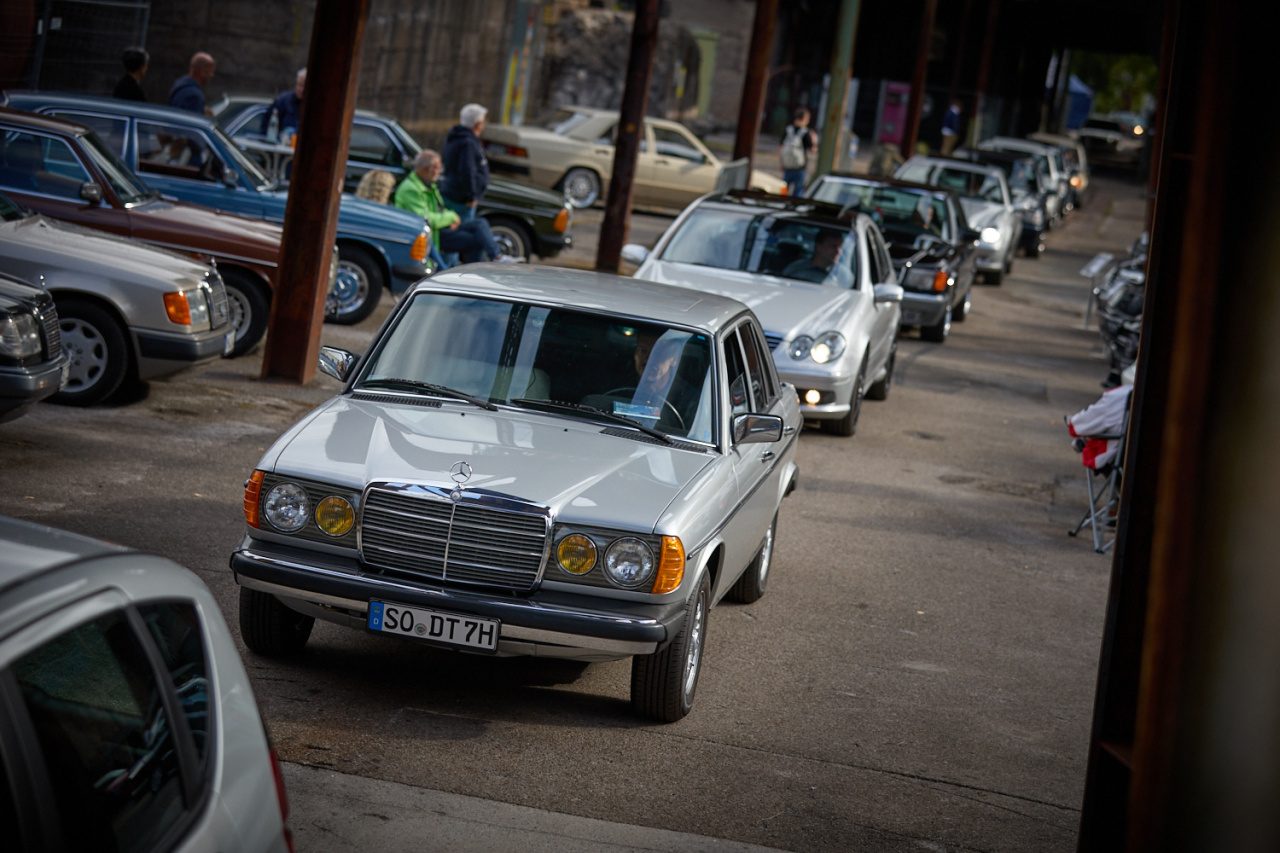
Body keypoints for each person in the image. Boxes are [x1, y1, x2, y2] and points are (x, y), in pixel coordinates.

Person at [394, 150, 517, 265]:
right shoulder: (411, 189)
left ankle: (497, 256)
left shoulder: (428, 184)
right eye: (436, 168)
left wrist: (451, 219)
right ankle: (478, 271)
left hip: (441, 227)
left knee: (480, 223)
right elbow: (426, 219)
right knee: (475, 241)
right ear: (425, 169)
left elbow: (439, 209)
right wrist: (452, 217)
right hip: (432, 233)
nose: (439, 171)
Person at [440, 103, 489, 223]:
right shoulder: (468, 143)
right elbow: (467, 171)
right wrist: (471, 196)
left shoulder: (456, 137)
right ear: (478, 124)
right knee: (462, 229)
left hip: (452, 191)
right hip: (461, 199)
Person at [781, 231, 847, 284]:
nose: (838, 251)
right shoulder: (796, 268)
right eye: (833, 246)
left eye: (841, 247)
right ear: (818, 247)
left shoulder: (843, 275)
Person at [779, 107, 816, 197]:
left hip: (787, 166)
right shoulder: (805, 132)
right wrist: (814, 140)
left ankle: (781, 202)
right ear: (805, 119)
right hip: (800, 167)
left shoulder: (788, 130)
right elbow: (812, 150)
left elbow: (780, 147)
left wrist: (782, 162)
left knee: (783, 189)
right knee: (798, 191)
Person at [262, 68, 305, 141]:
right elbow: (266, 125)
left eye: (304, 86)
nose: (301, 89)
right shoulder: (283, 101)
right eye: (300, 85)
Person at [169, 52, 215, 116]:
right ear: (202, 71)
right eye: (211, 71)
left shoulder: (180, 85)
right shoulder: (194, 96)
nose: (212, 75)